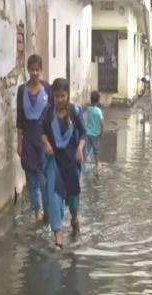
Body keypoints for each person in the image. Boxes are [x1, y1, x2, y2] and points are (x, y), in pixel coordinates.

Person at [42, 78, 86, 249]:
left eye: (63, 96)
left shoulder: (74, 111)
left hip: (71, 159)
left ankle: (74, 217)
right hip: (54, 160)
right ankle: (58, 234)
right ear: (52, 95)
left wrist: (80, 148)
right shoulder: (48, 113)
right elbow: (42, 132)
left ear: (68, 95)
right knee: (54, 197)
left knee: (73, 197)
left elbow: (83, 133)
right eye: (57, 96)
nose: (60, 99)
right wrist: (46, 144)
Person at [16, 54, 51, 223]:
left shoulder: (48, 89)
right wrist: (19, 142)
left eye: (38, 70)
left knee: (44, 177)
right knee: (31, 177)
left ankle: (47, 210)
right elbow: (19, 118)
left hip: (43, 141)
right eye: (32, 69)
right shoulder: (22, 90)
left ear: (41, 70)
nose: (35, 73)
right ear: (28, 70)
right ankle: (37, 211)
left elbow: (52, 116)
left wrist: (52, 141)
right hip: (28, 140)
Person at [85, 91, 104, 168]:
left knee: (86, 150)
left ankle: (83, 163)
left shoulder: (88, 109)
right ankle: (97, 165)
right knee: (96, 151)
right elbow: (102, 123)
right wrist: (101, 133)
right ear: (98, 100)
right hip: (96, 134)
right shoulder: (99, 111)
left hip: (88, 133)